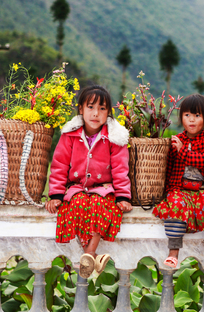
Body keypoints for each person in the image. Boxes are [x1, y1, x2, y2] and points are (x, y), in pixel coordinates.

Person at [45, 85, 132, 278]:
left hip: (104, 189)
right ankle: (93, 255)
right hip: (76, 188)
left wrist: (123, 196)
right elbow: (59, 165)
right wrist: (56, 195)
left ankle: (89, 253)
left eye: (102, 109)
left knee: (100, 206)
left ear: (108, 113)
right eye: (91, 107)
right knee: (77, 204)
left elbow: (120, 168)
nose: (95, 113)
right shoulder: (70, 135)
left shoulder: (114, 138)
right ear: (81, 109)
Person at [153, 94, 204, 271]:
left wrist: (182, 151)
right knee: (175, 205)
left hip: (203, 190)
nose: (191, 120)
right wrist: (169, 150)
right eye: (187, 115)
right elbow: (167, 165)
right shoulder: (177, 139)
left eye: (197, 116)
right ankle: (173, 252)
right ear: (181, 117)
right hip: (179, 188)